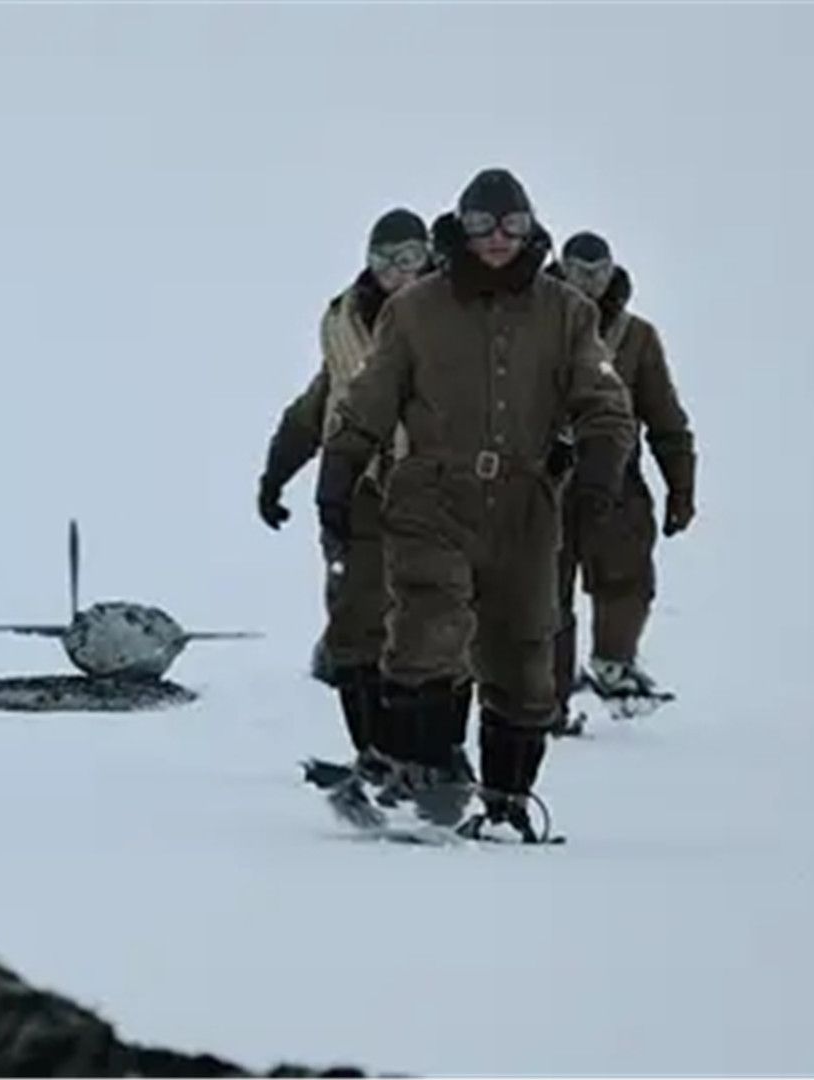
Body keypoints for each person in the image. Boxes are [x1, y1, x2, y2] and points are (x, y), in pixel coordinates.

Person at [315, 168, 636, 841]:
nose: (498, 240)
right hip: (431, 492)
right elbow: (368, 399)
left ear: (531, 229)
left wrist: (603, 472)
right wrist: (338, 472)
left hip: (527, 502)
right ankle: (427, 780)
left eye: (513, 226)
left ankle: (507, 800)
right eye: (484, 226)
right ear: (460, 227)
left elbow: (603, 403)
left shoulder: (567, 313)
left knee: (524, 658)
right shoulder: (415, 310)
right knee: (430, 627)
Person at [259, 209, 471, 782]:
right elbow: (319, 404)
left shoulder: (457, 308)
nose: (394, 271)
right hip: (355, 492)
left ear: (427, 256)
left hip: (436, 490)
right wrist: (278, 472)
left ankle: (440, 756)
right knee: (355, 626)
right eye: (383, 259)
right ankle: (375, 754)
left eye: (407, 259)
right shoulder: (344, 320)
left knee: (437, 628)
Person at [546, 232, 697, 721]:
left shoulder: (636, 338)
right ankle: (548, 692)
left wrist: (681, 485)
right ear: (559, 270)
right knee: (544, 589)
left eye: (597, 272)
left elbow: (665, 418)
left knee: (627, 575)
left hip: (615, 475)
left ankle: (613, 665)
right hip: (543, 476)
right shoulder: (531, 322)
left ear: (612, 272)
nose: (587, 283)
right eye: (576, 272)